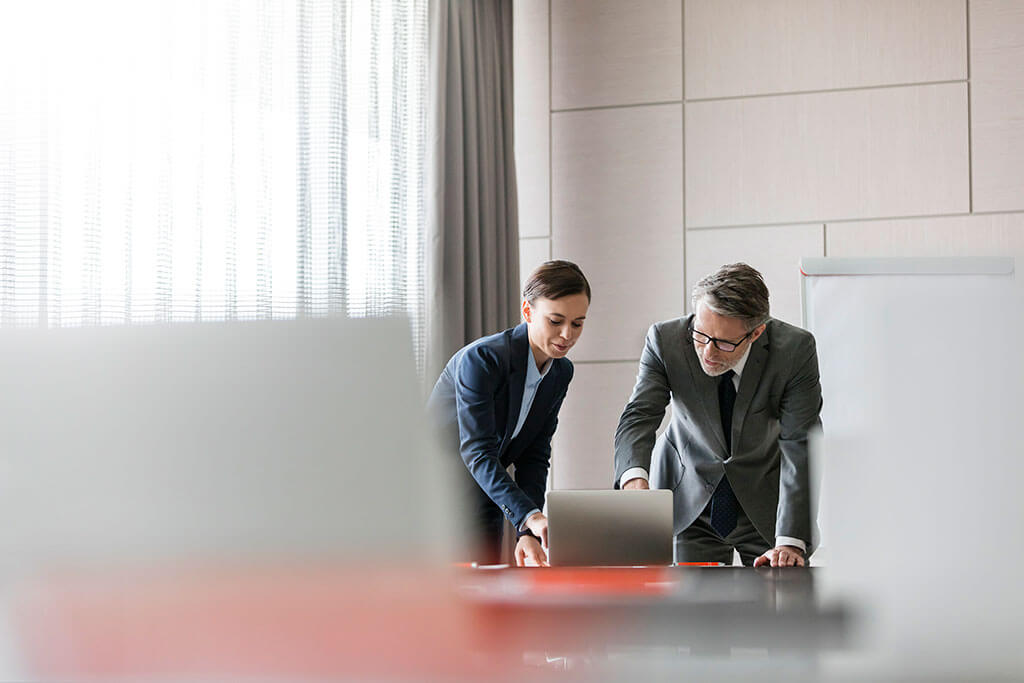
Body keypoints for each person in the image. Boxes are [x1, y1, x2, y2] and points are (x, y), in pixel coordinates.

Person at [614, 263, 821, 567]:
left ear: (757, 332)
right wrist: (634, 480)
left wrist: (790, 540)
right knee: (687, 606)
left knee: (777, 602)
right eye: (700, 335)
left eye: (724, 343)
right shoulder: (665, 340)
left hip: (764, 502)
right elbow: (639, 415)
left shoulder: (793, 350)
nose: (708, 353)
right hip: (686, 498)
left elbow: (799, 442)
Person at [428, 260, 590, 566]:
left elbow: (534, 454)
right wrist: (529, 516)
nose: (567, 334)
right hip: (432, 495)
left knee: (484, 598)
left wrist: (526, 531)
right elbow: (477, 450)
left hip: (485, 495)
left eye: (577, 323)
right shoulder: (483, 360)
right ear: (527, 312)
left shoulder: (560, 372)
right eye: (555, 321)